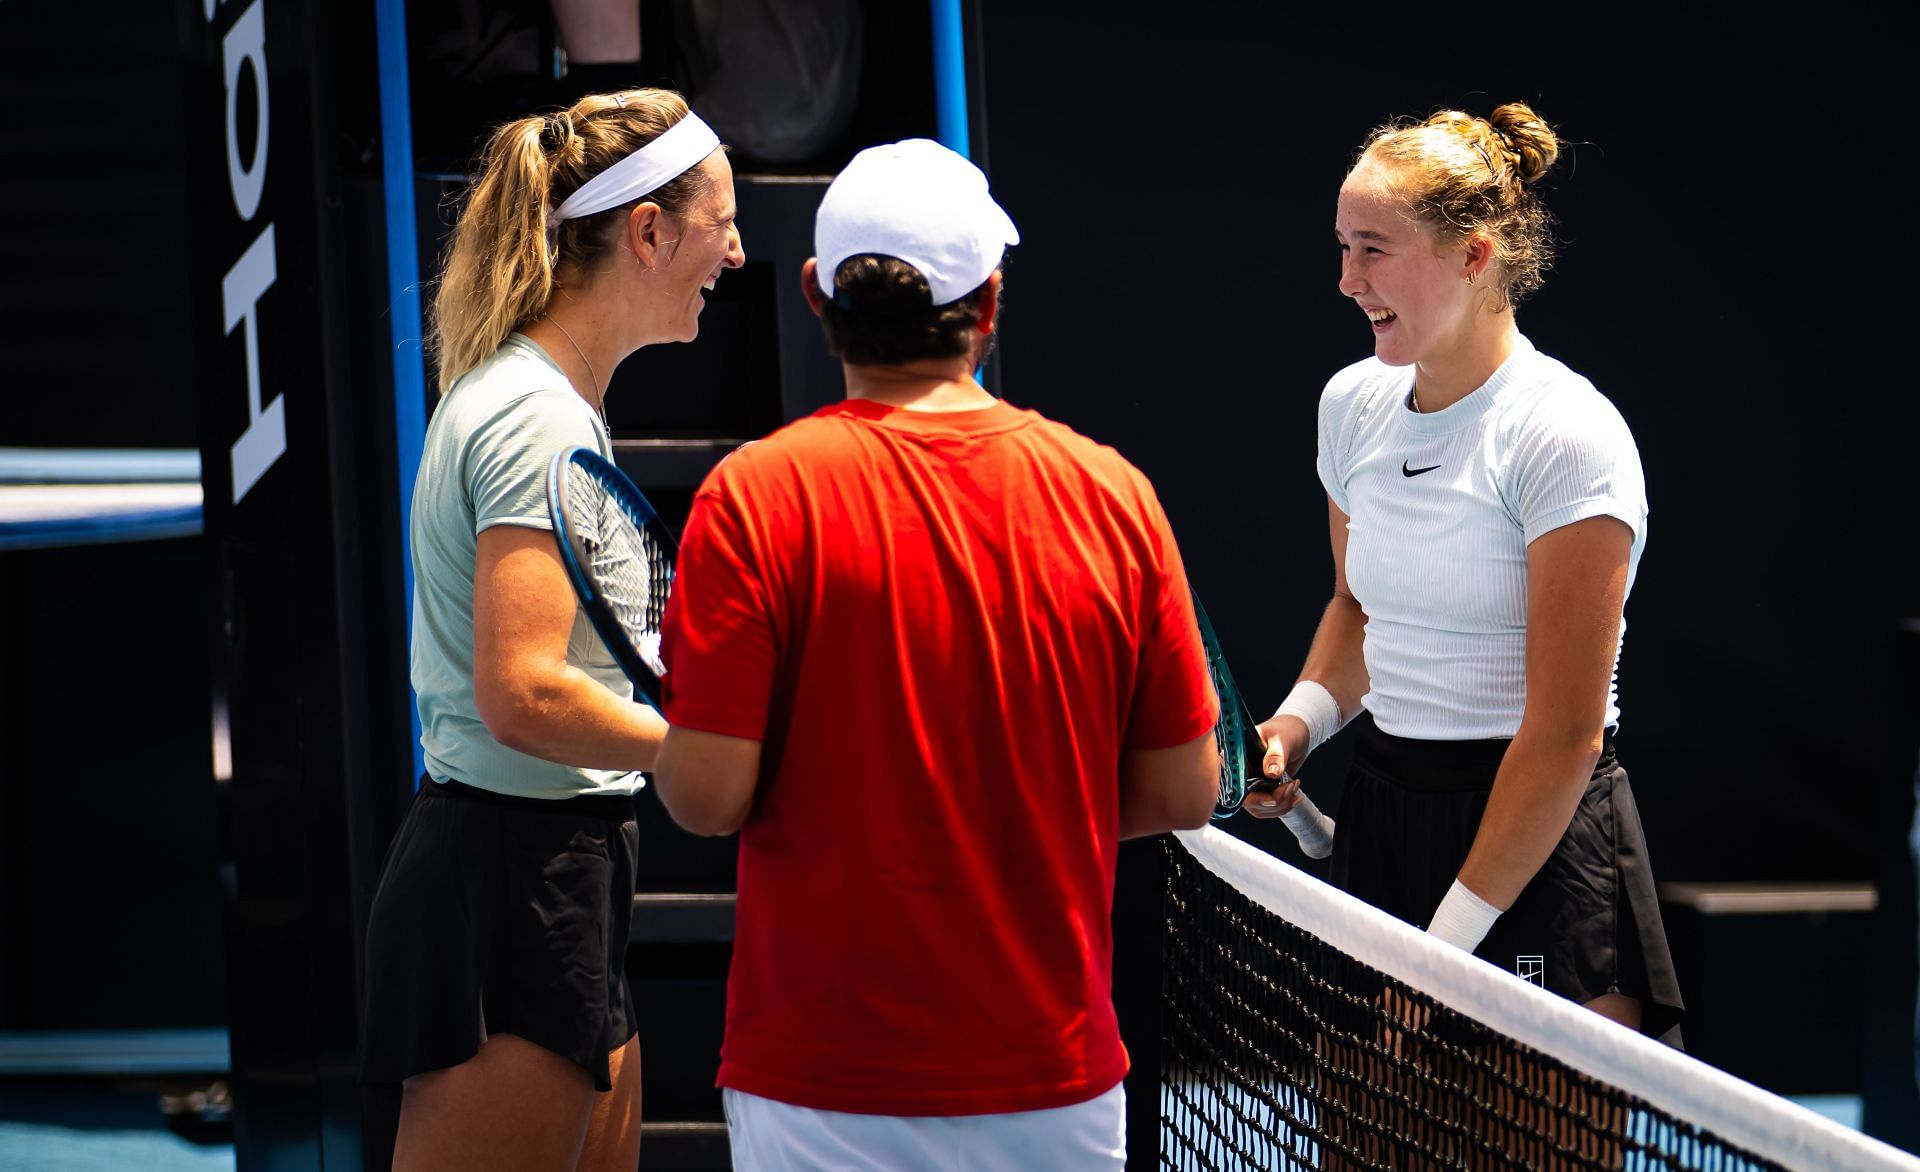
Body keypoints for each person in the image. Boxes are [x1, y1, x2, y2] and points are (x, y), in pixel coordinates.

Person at [650, 139, 1221, 1169]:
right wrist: (1027, 798)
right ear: (990, 305)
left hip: (821, 1088)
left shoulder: (755, 495)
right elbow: (1184, 790)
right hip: (1054, 1084)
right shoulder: (1113, 493)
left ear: (818, 297)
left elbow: (704, 799)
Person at [358, 88, 744, 1172]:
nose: (737, 248)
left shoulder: (545, 399)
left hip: (559, 869)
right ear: (650, 231)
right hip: (512, 882)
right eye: (722, 219)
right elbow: (522, 690)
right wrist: (708, 747)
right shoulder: (535, 415)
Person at [1245, 103, 1684, 1045]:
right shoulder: (1352, 405)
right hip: (1385, 816)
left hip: (1537, 827)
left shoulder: (1565, 434)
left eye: (1373, 250)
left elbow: (1565, 734)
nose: (1345, 280)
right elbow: (1359, 610)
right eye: (1342, 247)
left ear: (1475, 255)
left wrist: (1441, 954)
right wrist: (1297, 726)